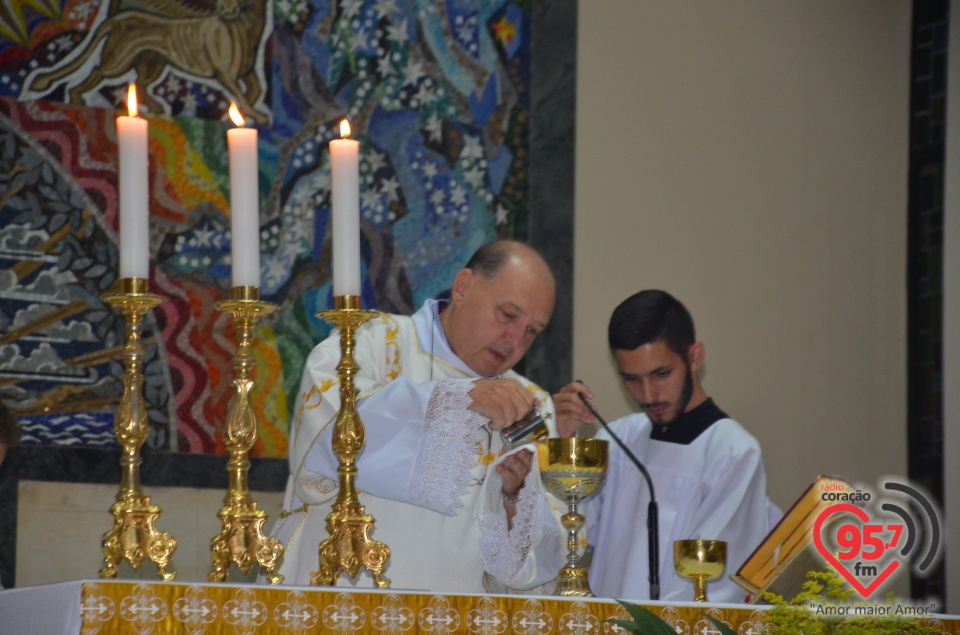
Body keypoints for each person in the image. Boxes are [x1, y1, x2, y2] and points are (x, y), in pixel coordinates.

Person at [272, 240, 568, 592]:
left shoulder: (533, 405)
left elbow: (546, 556)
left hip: (457, 613)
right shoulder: (371, 341)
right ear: (463, 287)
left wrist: (513, 498)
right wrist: (456, 399)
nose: (515, 342)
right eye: (507, 315)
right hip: (346, 596)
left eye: (532, 331)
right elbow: (324, 427)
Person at [553, 289, 779, 602]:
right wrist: (563, 447)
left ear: (694, 356)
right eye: (631, 379)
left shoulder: (733, 453)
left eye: (661, 374)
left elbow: (717, 588)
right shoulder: (616, 441)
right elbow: (566, 540)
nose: (648, 395)